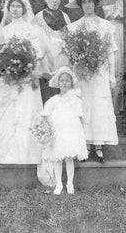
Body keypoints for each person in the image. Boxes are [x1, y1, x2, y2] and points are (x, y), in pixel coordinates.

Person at [0, 0, 47, 164]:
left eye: (18, 6)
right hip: (9, 76)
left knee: (26, 110)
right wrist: (9, 67)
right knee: (8, 111)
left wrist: (26, 66)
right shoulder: (5, 30)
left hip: (26, 75)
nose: (15, 9)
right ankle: (6, 156)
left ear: (24, 9)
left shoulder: (31, 29)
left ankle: (27, 155)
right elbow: (0, 52)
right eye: (12, 6)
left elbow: (38, 52)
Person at [65, 0, 119, 162]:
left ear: (96, 4)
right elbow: (71, 54)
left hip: (100, 72)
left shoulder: (106, 26)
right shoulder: (74, 27)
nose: (88, 5)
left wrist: (112, 75)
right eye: (84, 2)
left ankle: (99, 145)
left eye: (90, 2)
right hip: (82, 72)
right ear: (81, 6)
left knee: (99, 107)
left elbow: (111, 51)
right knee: (84, 105)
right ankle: (85, 145)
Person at [40, 67, 88, 195]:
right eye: (62, 80)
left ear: (71, 83)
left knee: (69, 158)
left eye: (67, 80)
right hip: (58, 132)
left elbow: (80, 116)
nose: (65, 83)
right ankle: (59, 184)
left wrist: (81, 133)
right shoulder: (54, 100)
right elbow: (46, 115)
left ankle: (70, 183)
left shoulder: (75, 99)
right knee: (57, 158)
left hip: (70, 131)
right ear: (58, 83)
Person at [96, 0, 126, 113]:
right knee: (108, 67)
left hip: (121, 33)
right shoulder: (102, 1)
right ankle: (106, 108)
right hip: (107, 32)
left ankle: (118, 108)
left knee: (120, 68)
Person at [35, 0, 71, 102]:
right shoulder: (38, 17)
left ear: (61, 0)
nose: (54, 0)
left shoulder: (65, 16)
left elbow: (69, 37)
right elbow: (36, 40)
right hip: (46, 60)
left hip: (62, 58)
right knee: (47, 90)